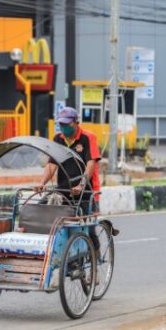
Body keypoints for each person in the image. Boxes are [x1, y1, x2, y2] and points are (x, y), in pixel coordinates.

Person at [35, 106, 102, 249]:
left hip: (87, 192)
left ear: (76, 123)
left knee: (87, 229)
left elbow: (91, 163)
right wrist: (42, 183)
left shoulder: (87, 138)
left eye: (67, 125)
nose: (64, 128)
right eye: (61, 125)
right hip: (64, 189)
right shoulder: (58, 139)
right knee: (40, 209)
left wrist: (82, 185)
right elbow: (52, 164)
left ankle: (94, 254)